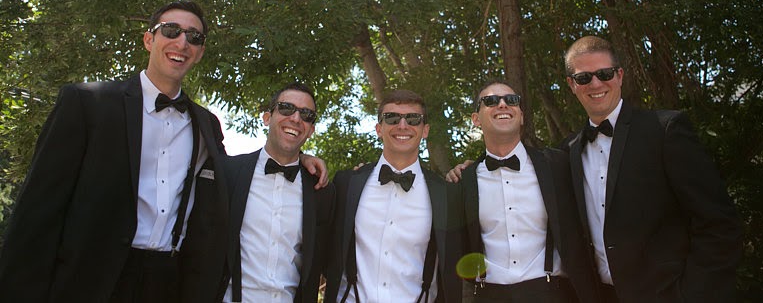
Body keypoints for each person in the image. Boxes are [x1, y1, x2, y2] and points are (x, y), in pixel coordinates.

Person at [0, 0, 228, 302]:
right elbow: (39, 209)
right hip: (91, 280)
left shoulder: (206, 125)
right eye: (171, 30)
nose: (182, 42)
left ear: (199, 52)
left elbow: (222, 197)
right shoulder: (87, 103)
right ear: (149, 40)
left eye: (194, 37)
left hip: (167, 283)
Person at [563, 36, 741, 302]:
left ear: (620, 76)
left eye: (605, 74)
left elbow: (719, 223)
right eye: (584, 78)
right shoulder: (568, 151)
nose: (596, 84)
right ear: (572, 85)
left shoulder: (665, 131)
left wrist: (690, 295)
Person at [453, 80, 598, 303]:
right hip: (488, 294)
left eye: (511, 100)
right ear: (476, 119)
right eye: (491, 101)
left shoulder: (558, 164)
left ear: (521, 116)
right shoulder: (464, 181)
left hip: (551, 292)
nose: (502, 104)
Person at [324, 89, 460, 303]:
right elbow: (319, 245)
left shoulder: (445, 194)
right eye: (392, 118)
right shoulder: (346, 183)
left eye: (413, 119)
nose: (402, 125)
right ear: (379, 129)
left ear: (425, 130)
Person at [216, 82, 335, 302]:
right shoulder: (227, 173)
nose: (296, 118)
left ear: (311, 130)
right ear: (267, 118)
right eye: (286, 108)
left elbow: (328, 260)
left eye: (306, 115)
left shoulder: (320, 190)